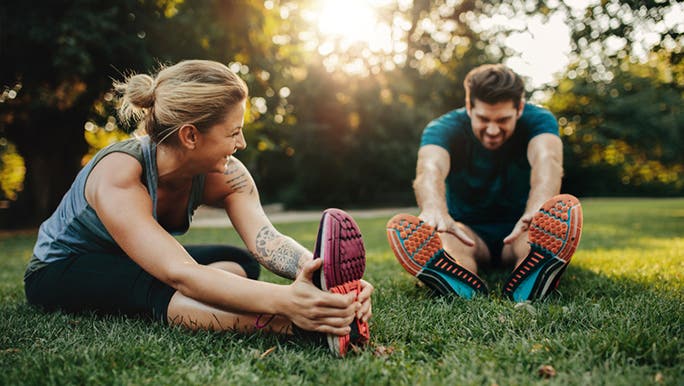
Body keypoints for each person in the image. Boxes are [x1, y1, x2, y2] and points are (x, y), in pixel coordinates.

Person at [23, 60, 372, 357]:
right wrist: (289, 303)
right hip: (62, 268)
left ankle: (204, 302)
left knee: (241, 264)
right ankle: (293, 328)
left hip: (134, 260)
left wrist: (326, 279)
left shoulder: (226, 173)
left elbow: (266, 240)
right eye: (233, 132)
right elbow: (179, 272)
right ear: (190, 136)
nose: (242, 143)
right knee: (160, 284)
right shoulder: (120, 174)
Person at [386, 64, 583, 301]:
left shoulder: (539, 120)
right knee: (449, 242)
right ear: (469, 107)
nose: (492, 130)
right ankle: (456, 278)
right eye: (483, 118)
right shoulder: (443, 128)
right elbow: (430, 168)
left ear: (519, 108)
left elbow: (546, 159)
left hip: (520, 227)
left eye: (502, 120)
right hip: (468, 232)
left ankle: (535, 274)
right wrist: (434, 209)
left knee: (533, 243)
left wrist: (538, 210)